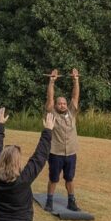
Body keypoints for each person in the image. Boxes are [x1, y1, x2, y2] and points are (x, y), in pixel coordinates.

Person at [44, 68, 81, 212]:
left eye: (64, 103)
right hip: (55, 153)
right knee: (54, 179)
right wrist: (52, 82)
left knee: (70, 178)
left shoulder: (71, 113)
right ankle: (49, 202)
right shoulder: (52, 113)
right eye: (60, 103)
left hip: (71, 153)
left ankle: (71, 201)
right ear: (56, 105)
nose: (62, 105)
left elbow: (75, 97)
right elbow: (50, 99)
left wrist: (75, 80)